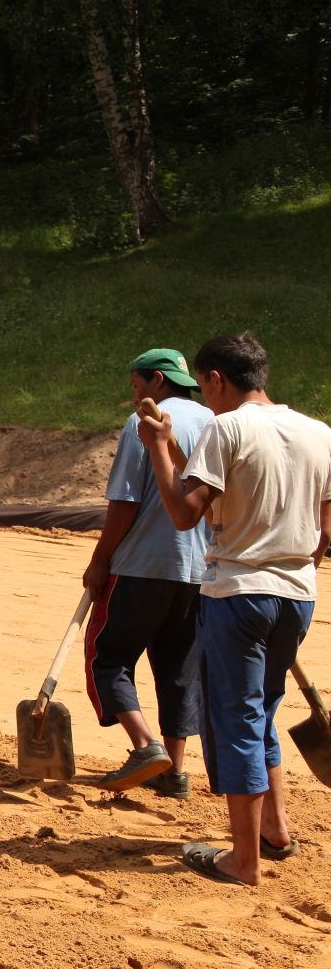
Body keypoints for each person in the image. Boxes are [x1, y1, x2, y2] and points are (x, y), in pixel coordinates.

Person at [137, 332, 331, 887]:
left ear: (217, 379)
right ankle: (276, 830)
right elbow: (327, 530)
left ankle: (242, 860)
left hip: (237, 593)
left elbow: (183, 513)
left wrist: (158, 448)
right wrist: (294, 568)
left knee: (237, 719)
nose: (206, 398)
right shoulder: (318, 432)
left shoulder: (228, 428)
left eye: (204, 386)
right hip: (297, 594)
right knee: (262, 710)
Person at [84, 349, 213, 797]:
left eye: (135, 384)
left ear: (156, 380)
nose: (134, 393)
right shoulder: (215, 422)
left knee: (108, 655)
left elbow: (125, 501)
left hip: (143, 566)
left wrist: (100, 559)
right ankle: (173, 772)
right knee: (178, 668)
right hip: (199, 571)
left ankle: (144, 746)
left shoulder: (146, 421)